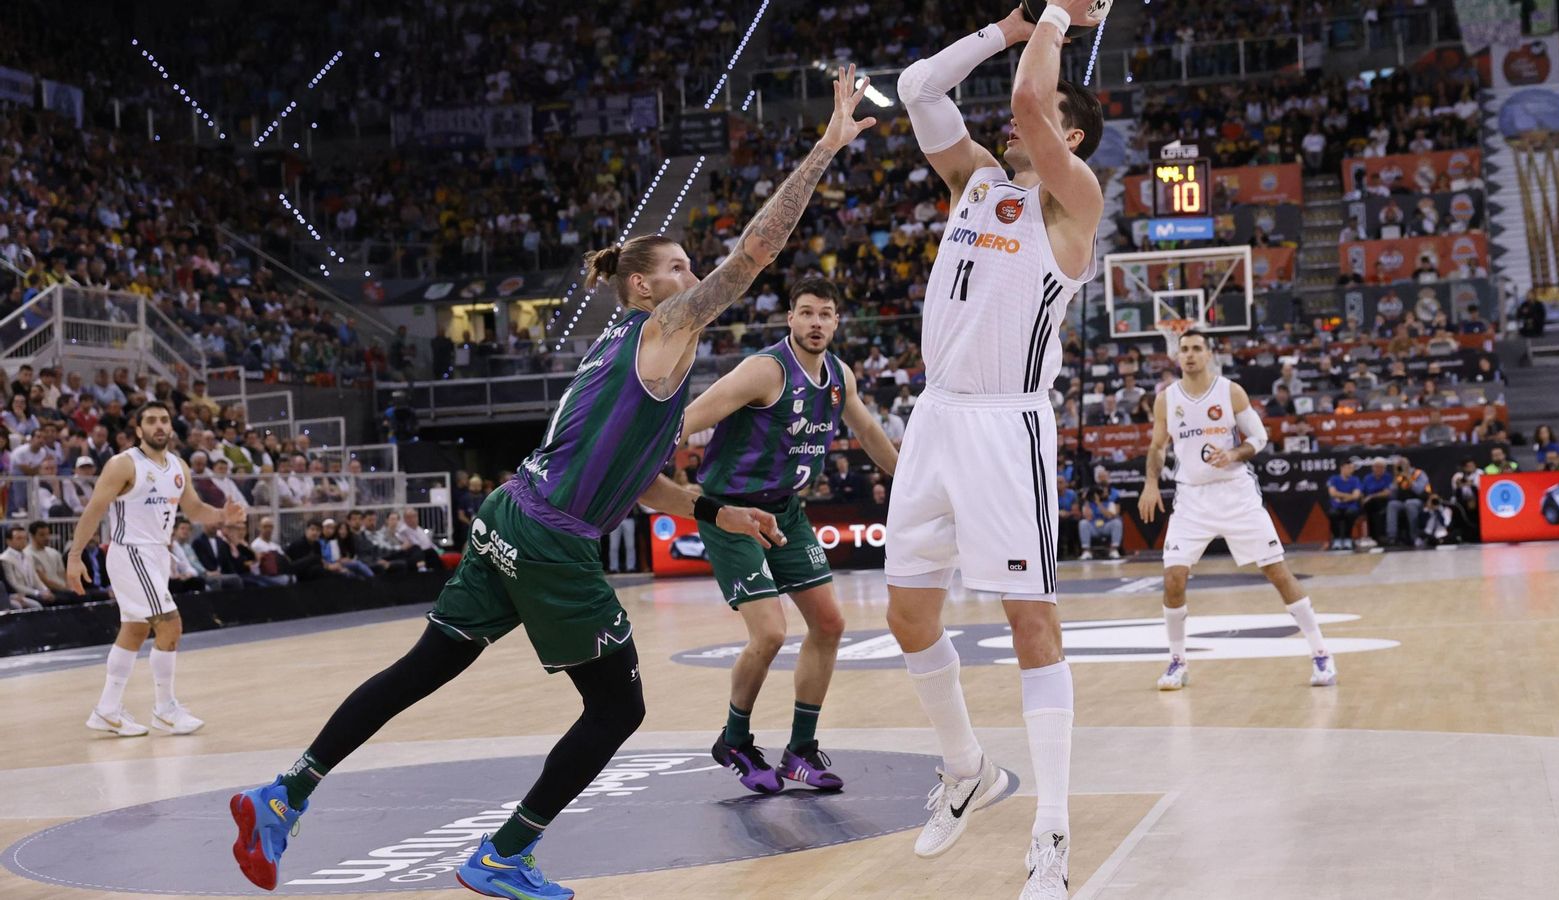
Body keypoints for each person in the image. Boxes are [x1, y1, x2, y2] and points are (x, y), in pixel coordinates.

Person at [227, 66, 869, 899]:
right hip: (551, 541)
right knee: (617, 711)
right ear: (645, 285)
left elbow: (643, 489)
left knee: (423, 667)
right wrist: (823, 148)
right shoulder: (662, 328)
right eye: (679, 265)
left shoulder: (617, 353)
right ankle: (502, 854)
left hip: (505, 516)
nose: (692, 274)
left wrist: (719, 509)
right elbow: (756, 252)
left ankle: (287, 793)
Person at [889, 7, 1103, 893]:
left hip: (1007, 427)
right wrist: (1011, 23)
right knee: (908, 617)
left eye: (1046, 122)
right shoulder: (975, 183)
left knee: (1031, 624)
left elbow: (1025, 104)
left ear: (1071, 133)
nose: (1021, 131)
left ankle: (1051, 834)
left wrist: (1058, 17)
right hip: (935, 418)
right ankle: (965, 765)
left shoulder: (1077, 204)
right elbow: (917, 88)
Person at [683, 277, 899, 793]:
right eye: (807, 313)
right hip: (732, 513)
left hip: (787, 512)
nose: (817, 323)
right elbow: (689, 419)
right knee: (771, 634)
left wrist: (909, 482)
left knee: (829, 623)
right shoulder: (764, 369)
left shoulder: (838, 376)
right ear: (790, 318)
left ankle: (800, 751)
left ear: (837, 321)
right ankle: (734, 739)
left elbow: (868, 432)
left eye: (826, 314)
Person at [1138, 330, 1336, 692]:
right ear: (1177, 356)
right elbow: (1156, 445)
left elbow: (1258, 438)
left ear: (1209, 354)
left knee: (1277, 572)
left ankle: (1320, 651)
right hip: (1192, 498)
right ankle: (1178, 661)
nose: (1190, 355)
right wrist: (1150, 484)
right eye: (1184, 350)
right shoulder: (1166, 399)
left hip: (1236, 494)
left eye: (1197, 348)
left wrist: (1232, 454)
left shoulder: (1230, 391)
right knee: (1173, 579)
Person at [66, 401, 247, 737]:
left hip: (156, 555)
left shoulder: (178, 466)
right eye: (151, 421)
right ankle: (165, 708)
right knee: (170, 626)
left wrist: (223, 516)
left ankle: (107, 709)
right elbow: (93, 510)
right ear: (138, 430)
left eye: (164, 419)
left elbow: (193, 509)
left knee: (135, 630)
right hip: (131, 552)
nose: (159, 426)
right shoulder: (124, 464)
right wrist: (75, 556)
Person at [1388, 458, 1430, 547]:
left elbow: (1419, 490)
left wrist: (1409, 478)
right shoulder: (1398, 476)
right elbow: (1392, 496)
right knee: (1392, 505)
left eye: (1403, 465)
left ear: (1408, 465)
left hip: (1419, 501)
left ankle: (1414, 537)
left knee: (1410, 503)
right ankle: (1392, 537)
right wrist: (1395, 482)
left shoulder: (1419, 473)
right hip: (1403, 501)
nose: (1401, 467)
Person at [1076, 486, 1122, 558]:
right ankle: (1086, 551)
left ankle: (1113, 550)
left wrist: (1098, 503)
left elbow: (1109, 516)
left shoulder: (1110, 503)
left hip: (1106, 527)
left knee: (1117, 522)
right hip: (1093, 528)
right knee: (1083, 523)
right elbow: (1087, 517)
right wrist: (1086, 500)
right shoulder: (1088, 504)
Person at [1326, 460, 1363, 550]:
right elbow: (1332, 493)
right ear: (1342, 468)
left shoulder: (1355, 480)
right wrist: (1349, 496)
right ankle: (1337, 538)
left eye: (1352, 468)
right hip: (1337, 506)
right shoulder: (1333, 479)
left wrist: (1341, 497)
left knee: (1351, 513)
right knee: (1333, 514)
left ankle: (1348, 538)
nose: (1351, 470)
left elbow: (1356, 495)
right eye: (1349, 468)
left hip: (1351, 506)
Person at [1361, 458, 1396, 544]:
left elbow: (1388, 492)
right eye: (1376, 467)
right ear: (1373, 468)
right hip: (1369, 504)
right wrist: (1363, 500)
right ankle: (1370, 537)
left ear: (1384, 468)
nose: (1378, 469)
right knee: (1368, 507)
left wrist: (1372, 496)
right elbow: (1362, 492)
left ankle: (1380, 537)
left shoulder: (1388, 477)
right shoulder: (1367, 478)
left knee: (1378, 507)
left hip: (1383, 501)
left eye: (1381, 467)